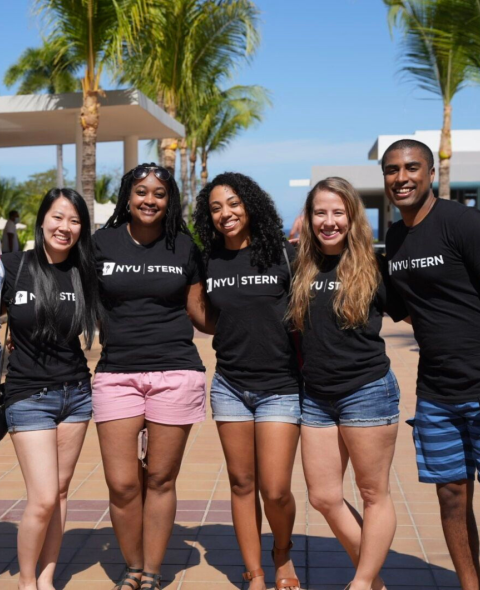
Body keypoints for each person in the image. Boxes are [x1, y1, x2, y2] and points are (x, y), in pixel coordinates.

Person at [92, 163, 212, 590]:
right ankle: (132, 564)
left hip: (176, 371)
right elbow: (74, 295)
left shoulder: (184, 246)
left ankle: (152, 571)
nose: (149, 200)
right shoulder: (101, 243)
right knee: (123, 483)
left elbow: (200, 313)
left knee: (160, 478)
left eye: (159, 194)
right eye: (141, 191)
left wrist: (252, 306)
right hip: (116, 374)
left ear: (169, 200)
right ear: (128, 196)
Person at [288, 177, 407, 590]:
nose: (329, 221)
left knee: (373, 494)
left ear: (352, 217)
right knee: (322, 497)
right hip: (317, 396)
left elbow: (418, 314)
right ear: (308, 217)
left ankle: (362, 583)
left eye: (338, 212)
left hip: (367, 391)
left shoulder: (375, 266)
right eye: (320, 212)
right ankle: (372, 581)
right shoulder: (299, 264)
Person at [194, 172, 302, 590]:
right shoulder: (208, 260)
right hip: (230, 386)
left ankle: (282, 551)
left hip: (280, 385)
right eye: (216, 207)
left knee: (275, 490)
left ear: (251, 204)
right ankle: (254, 571)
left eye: (234, 203)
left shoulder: (282, 253)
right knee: (242, 483)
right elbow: (205, 314)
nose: (226, 213)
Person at [383, 139, 480, 590]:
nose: (401, 178)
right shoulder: (396, 238)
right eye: (392, 170)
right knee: (452, 497)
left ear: (431, 173)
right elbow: (402, 306)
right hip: (438, 394)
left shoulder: (462, 222)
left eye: (411, 168)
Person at [2, 188, 102, 590]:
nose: (65, 227)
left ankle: (46, 579)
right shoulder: (12, 267)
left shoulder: (85, 272)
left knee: (60, 495)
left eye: (75, 220)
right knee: (42, 498)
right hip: (28, 397)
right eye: (58, 217)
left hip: (76, 394)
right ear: (42, 219)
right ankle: (27, 583)